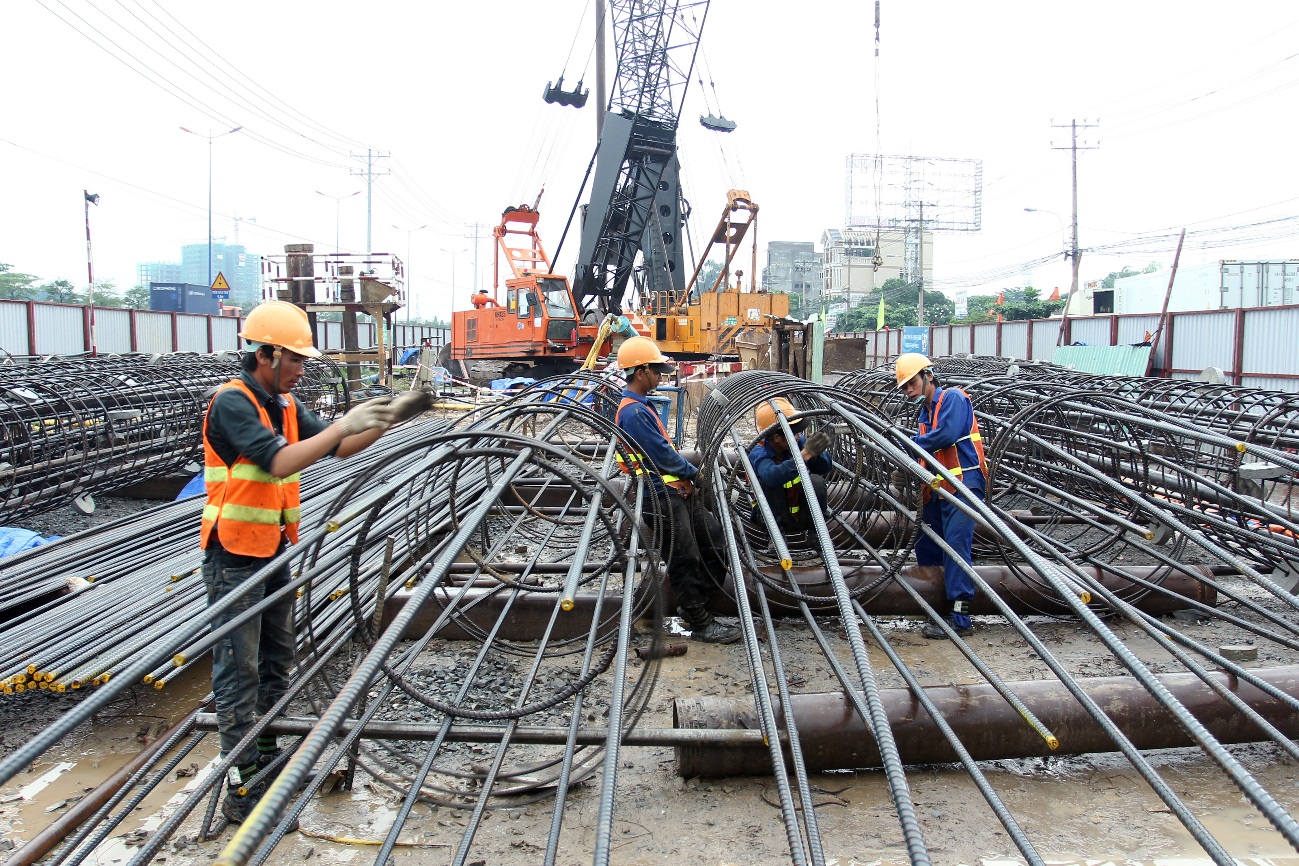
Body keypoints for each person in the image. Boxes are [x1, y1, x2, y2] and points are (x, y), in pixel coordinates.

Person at [201, 301, 431, 823]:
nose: (302, 370)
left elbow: (342, 447)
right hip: (233, 553)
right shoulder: (233, 404)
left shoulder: (282, 403)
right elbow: (281, 461)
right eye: (296, 360)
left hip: (273, 548)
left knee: (276, 660)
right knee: (238, 671)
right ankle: (240, 782)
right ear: (268, 354)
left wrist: (392, 416)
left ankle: (268, 755)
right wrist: (341, 426)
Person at [613, 336, 739, 644]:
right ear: (640, 372)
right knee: (685, 557)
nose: (659, 377)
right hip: (662, 497)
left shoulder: (641, 407)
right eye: (656, 371)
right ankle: (699, 621)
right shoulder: (633, 412)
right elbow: (663, 457)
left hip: (677, 493)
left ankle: (695, 605)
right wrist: (697, 473)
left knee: (714, 540)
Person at [896, 353, 987, 639]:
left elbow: (945, 436)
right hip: (938, 488)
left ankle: (960, 616)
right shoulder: (925, 412)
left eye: (912, 383)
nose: (909, 389)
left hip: (963, 484)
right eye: (904, 387)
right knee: (927, 541)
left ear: (928, 376)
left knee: (956, 547)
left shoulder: (953, 399)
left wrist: (906, 443)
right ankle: (935, 601)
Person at [749, 397, 835, 542]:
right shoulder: (758, 452)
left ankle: (816, 531)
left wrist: (818, 453)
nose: (797, 437)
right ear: (776, 437)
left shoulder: (798, 441)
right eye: (792, 433)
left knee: (816, 482)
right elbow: (771, 476)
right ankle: (775, 536)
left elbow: (824, 468)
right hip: (770, 518)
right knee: (769, 484)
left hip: (800, 515)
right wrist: (804, 455)